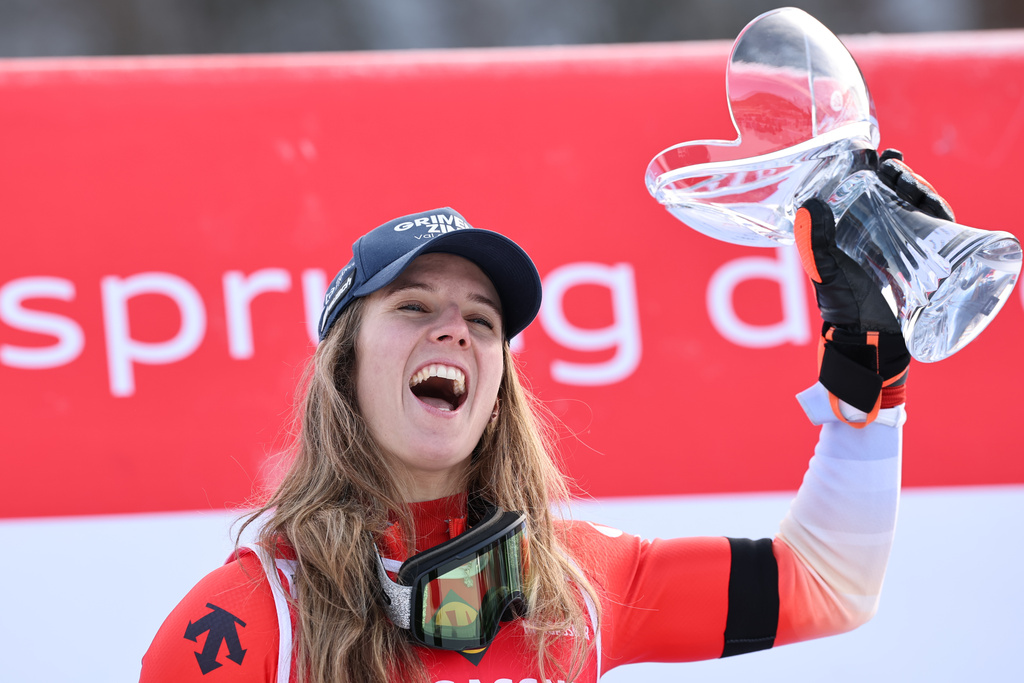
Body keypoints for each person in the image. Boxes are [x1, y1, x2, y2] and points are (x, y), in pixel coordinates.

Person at [139, 154, 951, 683]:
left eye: (481, 320)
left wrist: (866, 375)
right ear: (343, 368)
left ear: (498, 389)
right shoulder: (251, 622)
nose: (454, 330)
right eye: (414, 305)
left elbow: (829, 584)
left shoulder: (575, 584)